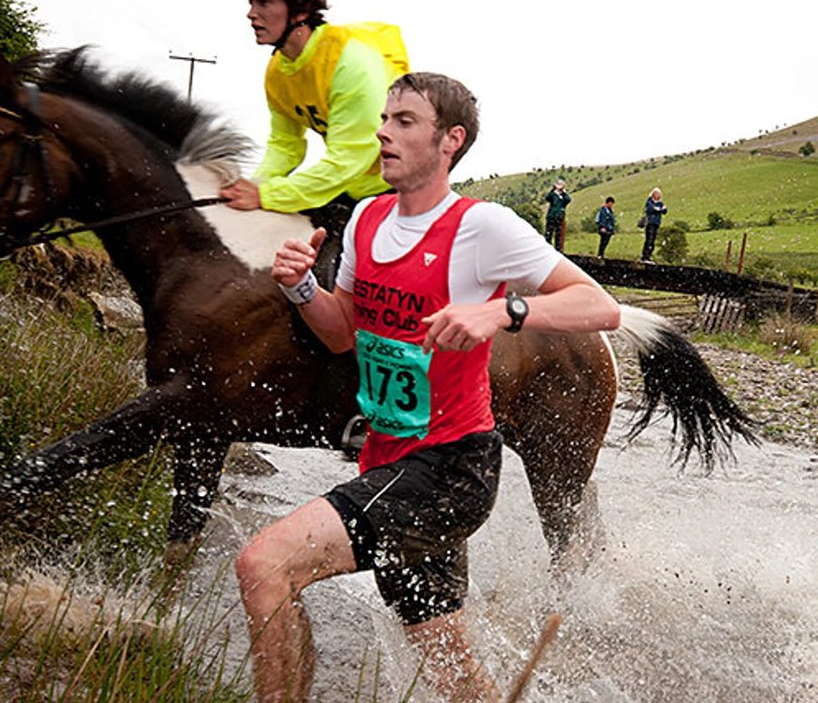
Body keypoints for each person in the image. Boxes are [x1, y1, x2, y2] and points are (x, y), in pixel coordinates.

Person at [247, 72, 622, 703]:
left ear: (450, 140)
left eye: (404, 122)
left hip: (451, 467)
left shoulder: (483, 227)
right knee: (453, 672)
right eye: (385, 118)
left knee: (265, 565)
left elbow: (600, 307)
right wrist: (301, 288)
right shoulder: (367, 220)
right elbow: (342, 334)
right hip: (388, 456)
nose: (382, 132)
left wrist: (503, 313)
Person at [221, 0, 408, 218]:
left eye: (263, 2)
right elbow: (285, 146)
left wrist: (266, 195)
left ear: (301, 10)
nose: (251, 13)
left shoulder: (352, 64)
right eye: (250, 2)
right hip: (348, 185)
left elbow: (348, 160)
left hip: (397, 188)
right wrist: (251, 186)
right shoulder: (278, 71)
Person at [640, 186, 667, 263]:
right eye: (656, 193)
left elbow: (664, 211)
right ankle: (645, 256)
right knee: (649, 239)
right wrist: (658, 210)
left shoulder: (660, 203)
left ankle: (649, 255)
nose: (657, 195)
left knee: (652, 240)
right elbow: (650, 209)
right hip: (650, 223)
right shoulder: (649, 202)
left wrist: (658, 210)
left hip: (656, 223)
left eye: (658, 194)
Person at [543, 178, 571, 250]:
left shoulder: (564, 196)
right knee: (549, 232)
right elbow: (547, 198)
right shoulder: (553, 194)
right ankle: (547, 247)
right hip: (551, 216)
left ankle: (557, 248)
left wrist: (563, 192)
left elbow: (568, 200)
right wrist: (553, 189)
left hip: (559, 216)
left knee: (558, 234)